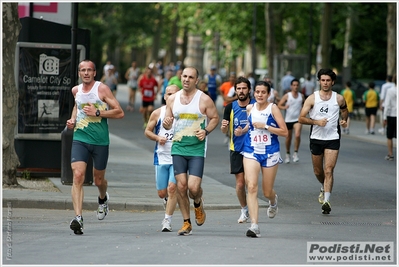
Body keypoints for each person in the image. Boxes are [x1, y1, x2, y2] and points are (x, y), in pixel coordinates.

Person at [66, 60, 124, 235]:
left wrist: (98, 112)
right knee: (78, 176)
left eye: (89, 70)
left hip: (100, 141)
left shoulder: (102, 89)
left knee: (98, 180)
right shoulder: (75, 90)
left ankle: (103, 198)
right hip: (80, 138)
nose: (86, 73)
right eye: (82, 70)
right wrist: (73, 120)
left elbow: (119, 112)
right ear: (79, 73)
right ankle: (78, 218)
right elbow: (77, 107)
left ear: (94, 73)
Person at [162, 66, 220, 236]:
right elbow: (168, 119)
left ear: (197, 80)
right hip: (178, 147)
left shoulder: (204, 99)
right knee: (181, 186)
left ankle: (198, 201)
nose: (186, 79)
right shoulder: (172, 99)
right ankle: (186, 222)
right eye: (184, 76)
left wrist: (206, 131)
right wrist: (167, 123)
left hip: (197, 149)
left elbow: (215, 118)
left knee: (193, 188)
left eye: (190, 77)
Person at [235, 81, 288, 238]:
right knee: (251, 186)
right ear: (254, 93)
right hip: (251, 150)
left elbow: (284, 132)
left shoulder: (273, 108)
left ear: (268, 94)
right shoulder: (249, 108)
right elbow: (251, 127)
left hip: (270, 152)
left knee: (266, 191)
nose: (259, 95)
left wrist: (266, 126)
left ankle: (273, 201)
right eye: (257, 92)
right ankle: (254, 225)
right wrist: (241, 131)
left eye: (263, 92)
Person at [298, 68, 348, 215]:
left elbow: (345, 111)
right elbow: (301, 118)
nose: (325, 83)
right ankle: (322, 185)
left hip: (333, 137)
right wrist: (316, 122)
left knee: (329, 170)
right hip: (316, 138)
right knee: (318, 171)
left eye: (328, 80)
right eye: (323, 80)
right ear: (319, 81)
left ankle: (327, 201)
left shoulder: (338, 98)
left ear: (332, 82)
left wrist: (344, 121)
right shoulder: (312, 98)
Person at [144, 85, 180, 232]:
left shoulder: (183, 114)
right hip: (161, 157)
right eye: (169, 94)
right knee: (162, 193)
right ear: (165, 96)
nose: (171, 97)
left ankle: (167, 220)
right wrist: (158, 137)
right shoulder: (157, 113)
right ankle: (166, 201)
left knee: (173, 189)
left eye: (175, 94)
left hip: (178, 157)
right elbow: (147, 131)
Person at [220, 76, 255, 224]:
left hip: (253, 149)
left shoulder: (256, 105)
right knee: (240, 184)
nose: (241, 91)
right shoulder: (230, 107)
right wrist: (223, 128)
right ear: (235, 90)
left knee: (250, 182)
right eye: (238, 88)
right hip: (236, 149)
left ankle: (257, 208)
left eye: (244, 88)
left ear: (249, 90)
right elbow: (224, 130)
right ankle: (244, 210)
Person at [278, 78, 304, 163]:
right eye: (294, 85)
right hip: (288, 119)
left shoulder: (301, 96)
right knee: (288, 137)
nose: (296, 87)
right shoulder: (287, 96)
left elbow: (304, 105)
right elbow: (279, 105)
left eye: (297, 85)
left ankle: (296, 153)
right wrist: (284, 107)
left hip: (297, 119)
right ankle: (287, 153)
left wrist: (303, 110)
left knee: (297, 135)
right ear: (291, 86)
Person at [383, 74, 397, 161]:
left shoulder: (390, 90)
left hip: (392, 114)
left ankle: (390, 154)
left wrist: (384, 117)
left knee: (389, 136)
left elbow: (387, 104)